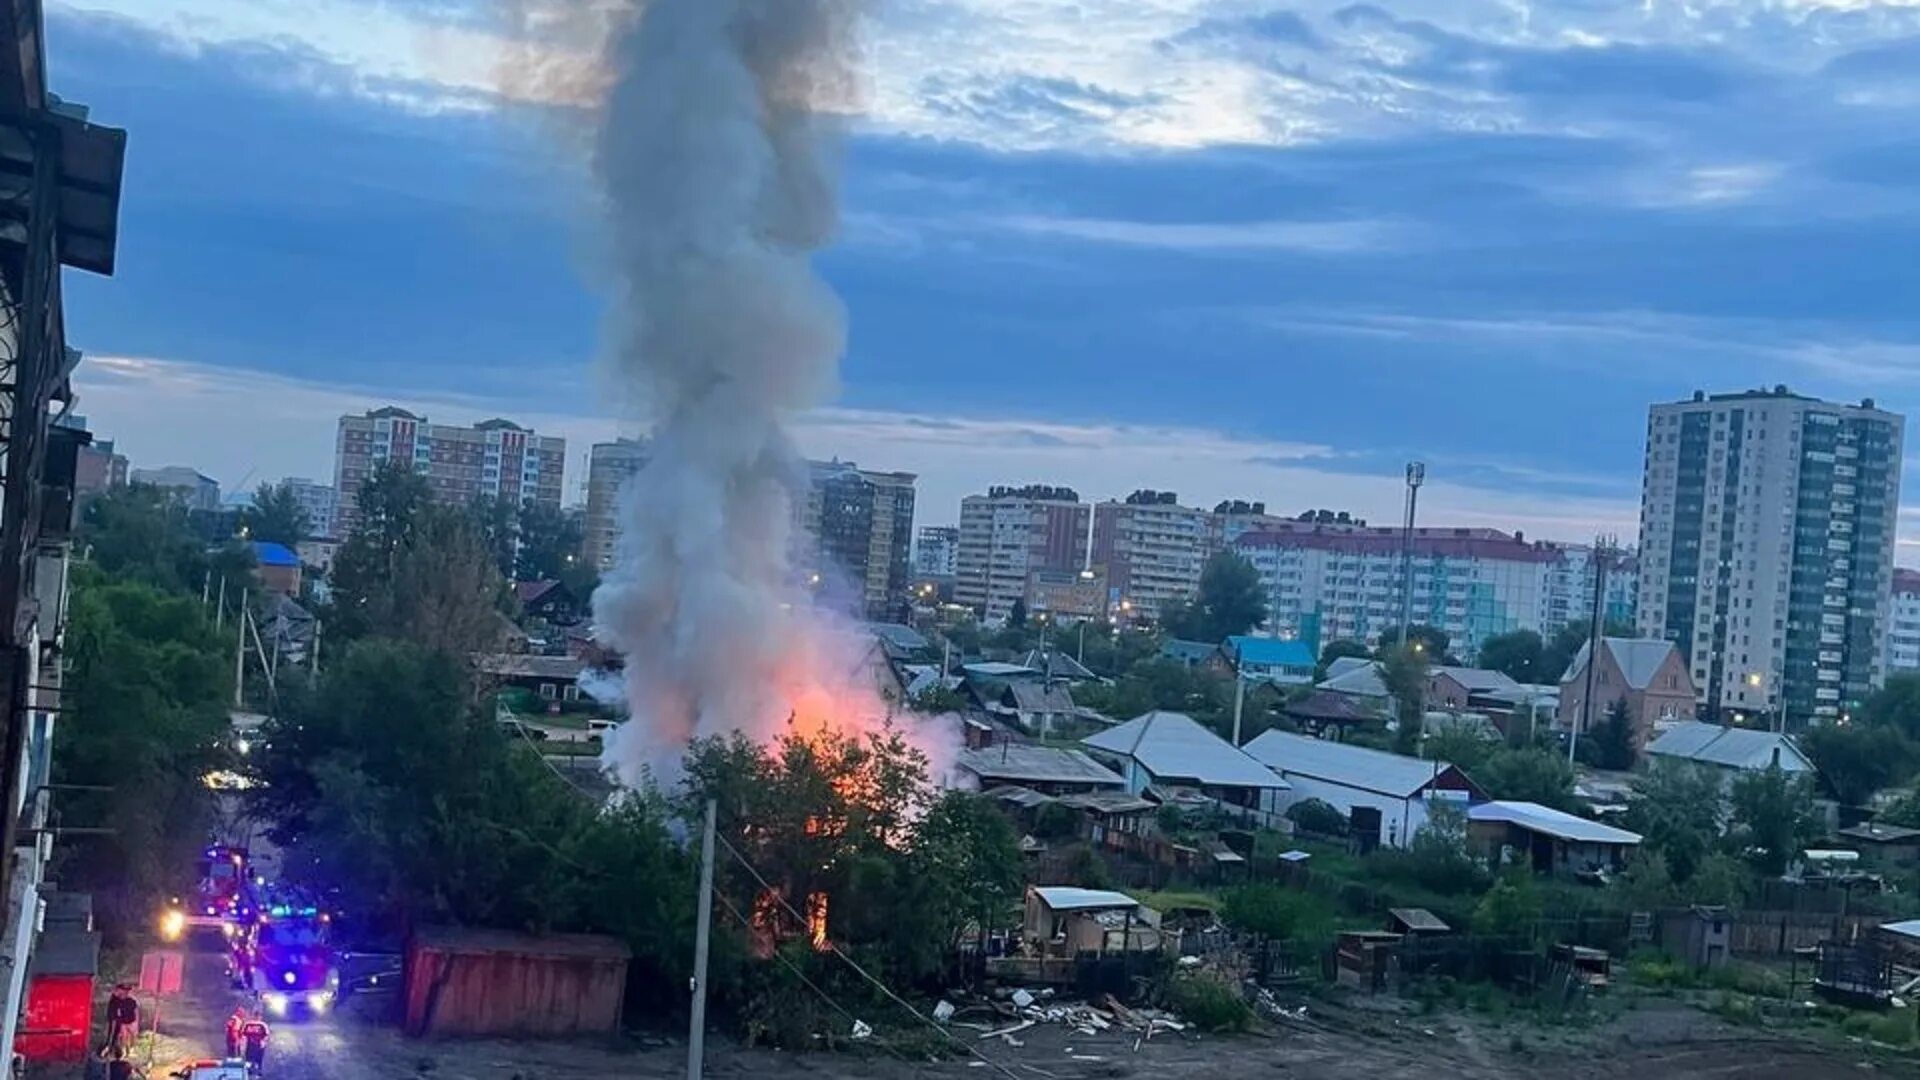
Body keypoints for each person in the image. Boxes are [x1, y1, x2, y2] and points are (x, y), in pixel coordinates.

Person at [102, 984, 138, 1057]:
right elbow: (114, 1010)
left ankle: (129, 1050)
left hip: (128, 1021)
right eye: (124, 990)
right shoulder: (116, 999)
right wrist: (117, 1018)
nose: (126, 992)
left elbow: (135, 1010)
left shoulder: (131, 1000)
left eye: (127, 991)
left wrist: (136, 1021)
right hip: (119, 1021)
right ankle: (111, 1050)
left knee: (131, 1036)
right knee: (119, 1036)